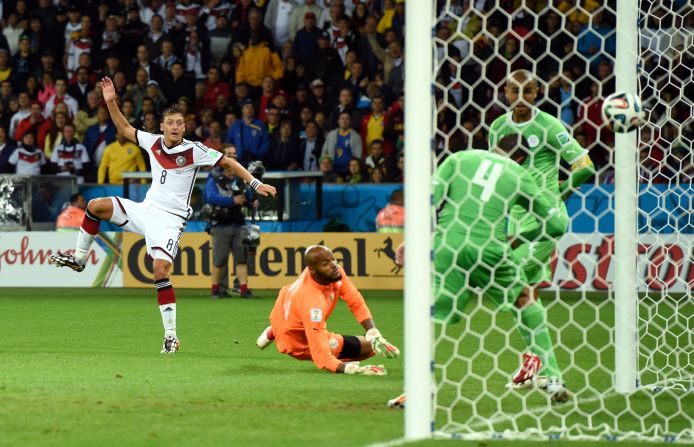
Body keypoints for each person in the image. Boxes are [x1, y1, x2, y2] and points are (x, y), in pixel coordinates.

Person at [48, 77, 277, 354]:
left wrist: (255, 183)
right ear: (162, 127)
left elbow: (228, 161)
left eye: (180, 123)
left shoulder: (194, 150)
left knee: (159, 271)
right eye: (170, 123)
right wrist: (110, 101)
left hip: (170, 221)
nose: (175, 127)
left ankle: (171, 336)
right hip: (146, 210)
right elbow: (123, 127)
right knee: (95, 205)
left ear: (185, 126)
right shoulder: (153, 142)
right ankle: (80, 259)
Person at [387, 134, 571, 409]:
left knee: (427, 312)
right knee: (524, 299)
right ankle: (553, 378)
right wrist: (519, 238)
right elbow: (556, 225)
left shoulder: (459, 159)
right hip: (492, 250)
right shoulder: (518, 174)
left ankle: (417, 389)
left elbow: (428, 199)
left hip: (449, 245)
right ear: (521, 159)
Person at [488, 69, 594, 388]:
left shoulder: (548, 125)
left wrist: (557, 194)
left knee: (511, 282)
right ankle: (534, 361)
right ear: (505, 92)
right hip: (516, 219)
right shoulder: (497, 127)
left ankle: (553, 374)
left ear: (537, 93)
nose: (521, 97)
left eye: (529, 91)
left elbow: (584, 167)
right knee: (524, 294)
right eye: (514, 90)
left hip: (545, 219)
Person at [256, 245, 399, 375]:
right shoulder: (312, 304)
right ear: (312, 270)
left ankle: (275, 330)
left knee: (371, 342)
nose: (334, 265)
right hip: (298, 342)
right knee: (369, 348)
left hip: (284, 311)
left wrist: (373, 332)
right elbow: (321, 355)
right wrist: (352, 369)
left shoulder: (332, 272)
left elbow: (355, 301)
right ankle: (279, 331)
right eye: (326, 264)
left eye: (333, 260)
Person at [204, 144, 258, 299]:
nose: (232, 157)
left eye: (234, 154)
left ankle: (243, 289)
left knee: (242, 258)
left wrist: (251, 202)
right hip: (220, 223)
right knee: (219, 259)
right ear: (222, 156)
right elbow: (210, 197)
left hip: (239, 223)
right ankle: (215, 289)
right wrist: (232, 200)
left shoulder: (241, 176)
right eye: (229, 154)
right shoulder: (214, 175)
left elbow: (247, 197)